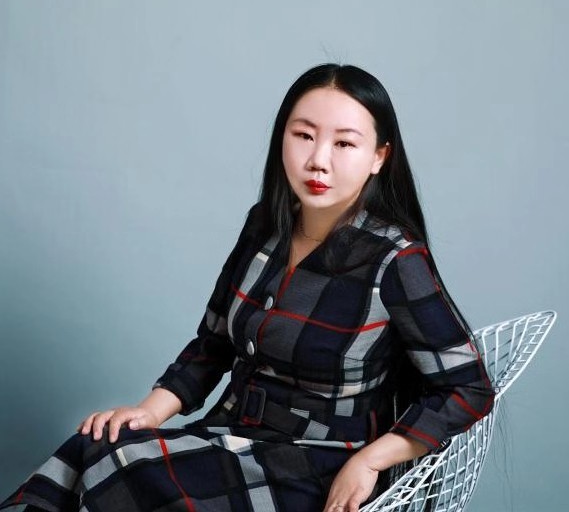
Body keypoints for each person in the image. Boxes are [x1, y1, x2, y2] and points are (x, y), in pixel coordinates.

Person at [0, 63, 495, 512]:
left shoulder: (395, 258)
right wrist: (148, 412)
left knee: (122, 470)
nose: (318, 160)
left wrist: (370, 461)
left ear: (378, 157)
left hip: (316, 465)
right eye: (303, 136)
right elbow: (213, 343)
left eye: (344, 144)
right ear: (282, 139)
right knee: (91, 448)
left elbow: (468, 387)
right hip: (231, 437)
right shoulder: (265, 226)